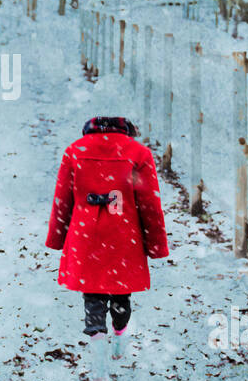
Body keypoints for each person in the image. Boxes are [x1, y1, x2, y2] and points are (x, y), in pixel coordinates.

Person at [45, 116, 169, 339]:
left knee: (92, 294)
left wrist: (57, 237)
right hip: (124, 237)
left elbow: (62, 200)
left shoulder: (75, 150)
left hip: (85, 236)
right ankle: (119, 331)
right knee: (121, 295)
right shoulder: (139, 153)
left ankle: (98, 346)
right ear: (127, 129)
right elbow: (150, 205)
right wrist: (156, 245)